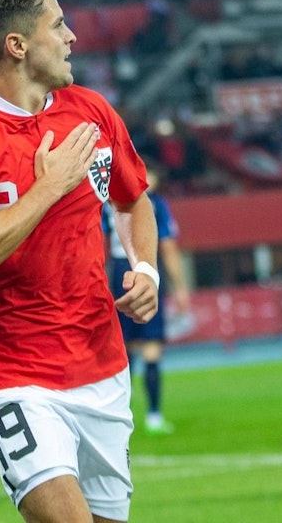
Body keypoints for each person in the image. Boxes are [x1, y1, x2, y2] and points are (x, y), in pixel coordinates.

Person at [0, 0, 158, 523]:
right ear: (18, 45)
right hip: (15, 375)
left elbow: (132, 200)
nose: (72, 37)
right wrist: (49, 187)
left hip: (102, 367)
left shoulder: (91, 112)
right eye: (59, 24)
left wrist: (146, 268)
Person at [102, 164, 190, 435]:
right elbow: (168, 245)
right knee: (149, 346)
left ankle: (120, 418)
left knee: (123, 350)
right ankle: (153, 415)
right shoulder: (155, 204)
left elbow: (99, 243)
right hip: (146, 270)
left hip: (118, 271)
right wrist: (180, 285)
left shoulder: (105, 201)